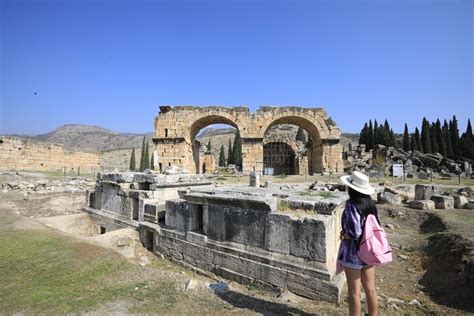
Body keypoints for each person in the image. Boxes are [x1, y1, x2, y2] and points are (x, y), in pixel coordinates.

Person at [337, 171, 379, 316]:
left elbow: (355, 232)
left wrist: (344, 235)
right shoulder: (370, 204)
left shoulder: (351, 205)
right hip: (368, 249)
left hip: (353, 252)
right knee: (370, 288)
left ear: (351, 188)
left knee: (354, 292)